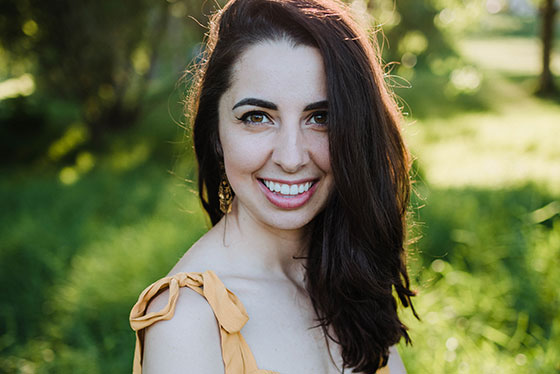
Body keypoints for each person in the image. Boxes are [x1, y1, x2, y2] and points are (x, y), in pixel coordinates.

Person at [129, 0, 417, 372]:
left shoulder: (348, 272)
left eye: (320, 117)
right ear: (215, 133)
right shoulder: (189, 322)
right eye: (257, 117)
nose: (292, 157)